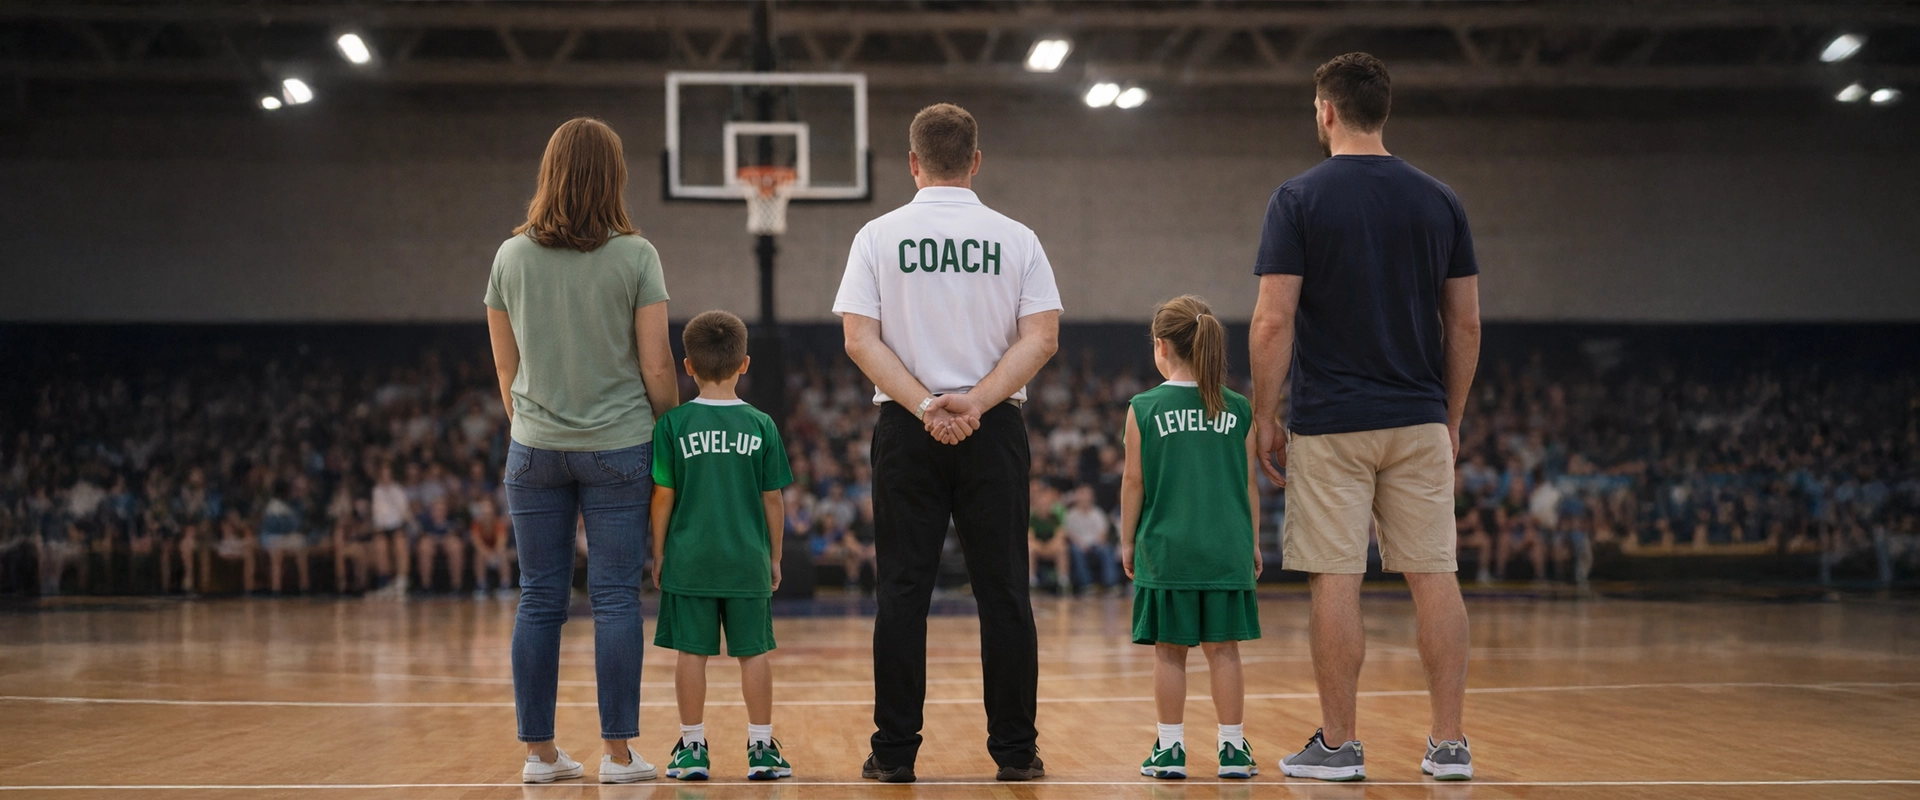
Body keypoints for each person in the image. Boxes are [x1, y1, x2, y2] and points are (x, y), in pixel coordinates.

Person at [1248, 53, 1481, 782]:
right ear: (1384, 110)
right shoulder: (1441, 200)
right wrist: (1450, 418)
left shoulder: (1297, 198)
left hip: (1334, 421)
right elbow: (1466, 325)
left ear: (1326, 111)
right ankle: (1448, 745)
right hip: (1418, 416)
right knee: (1434, 574)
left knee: (1336, 577)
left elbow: (1271, 320)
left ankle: (1341, 746)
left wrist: (1264, 413)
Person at [834, 102, 1061, 782]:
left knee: (902, 593)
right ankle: (1016, 756)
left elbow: (857, 338)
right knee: (1005, 593)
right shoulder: (1017, 238)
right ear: (976, 161)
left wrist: (926, 404)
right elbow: (1042, 338)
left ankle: (895, 755)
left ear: (912, 162)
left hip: (908, 428)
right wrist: (979, 402)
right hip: (995, 430)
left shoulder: (877, 235)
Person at [487, 117, 680, 784]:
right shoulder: (636, 255)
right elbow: (658, 367)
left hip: (533, 450)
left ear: (549, 173)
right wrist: (671, 432)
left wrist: (534, 428)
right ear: (614, 176)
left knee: (539, 598)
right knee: (616, 599)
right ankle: (619, 756)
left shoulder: (510, 257)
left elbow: (506, 373)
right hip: (618, 447)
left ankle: (539, 756)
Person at [649, 311, 796, 782]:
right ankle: (761, 748)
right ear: (744, 363)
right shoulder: (761, 425)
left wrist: (659, 553)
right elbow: (772, 498)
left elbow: (662, 496)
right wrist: (774, 556)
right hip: (746, 558)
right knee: (753, 653)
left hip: (689, 559)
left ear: (687, 367)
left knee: (691, 653)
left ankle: (692, 750)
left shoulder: (672, 425)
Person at [1121, 296, 1263, 781]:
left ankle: (1170, 750)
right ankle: (1233, 750)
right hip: (1227, 547)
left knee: (1170, 650)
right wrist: (1254, 543)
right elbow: (1247, 482)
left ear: (1161, 346)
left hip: (1167, 548)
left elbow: (1133, 482)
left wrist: (1125, 541)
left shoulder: (1143, 406)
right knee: (1224, 649)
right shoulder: (1238, 408)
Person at [1062, 485, 1120, 594]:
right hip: (1078, 545)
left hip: (1095, 545)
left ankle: (1112, 584)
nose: (1084, 498)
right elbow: (1068, 534)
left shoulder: (1097, 513)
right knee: (1075, 550)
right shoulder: (1071, 515)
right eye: (1082, 495)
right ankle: (1087, 585)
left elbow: (1103, 534)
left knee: (1106, 550)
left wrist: (1094, 544)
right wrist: (1081, 544)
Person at [1027, 482, 1069, 592]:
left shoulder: (1055, 517)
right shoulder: (1032, 518)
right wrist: (1042, 548)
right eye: (1042, 502)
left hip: (1051, 547)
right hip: (1037, 547)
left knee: (1062, 548)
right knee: (1030, 548)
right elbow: (1030, 536)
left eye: (1047, 502)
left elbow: (1060, 535)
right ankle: (1032, 581)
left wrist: (1049, 548)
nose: (1044, 505)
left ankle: (1063, 581)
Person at [470, 495, 515, 597]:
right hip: (485, 553)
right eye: (484, 510)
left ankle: (505, 585)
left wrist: (495, 554)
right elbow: (477, 542)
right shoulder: (476, 524)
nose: (486, 513)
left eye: (488, 509)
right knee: (479, 555)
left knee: (503, 554)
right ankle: (481, 585)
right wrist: (488, 554)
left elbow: (501, 541)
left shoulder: (499, 523)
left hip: (497, 552)